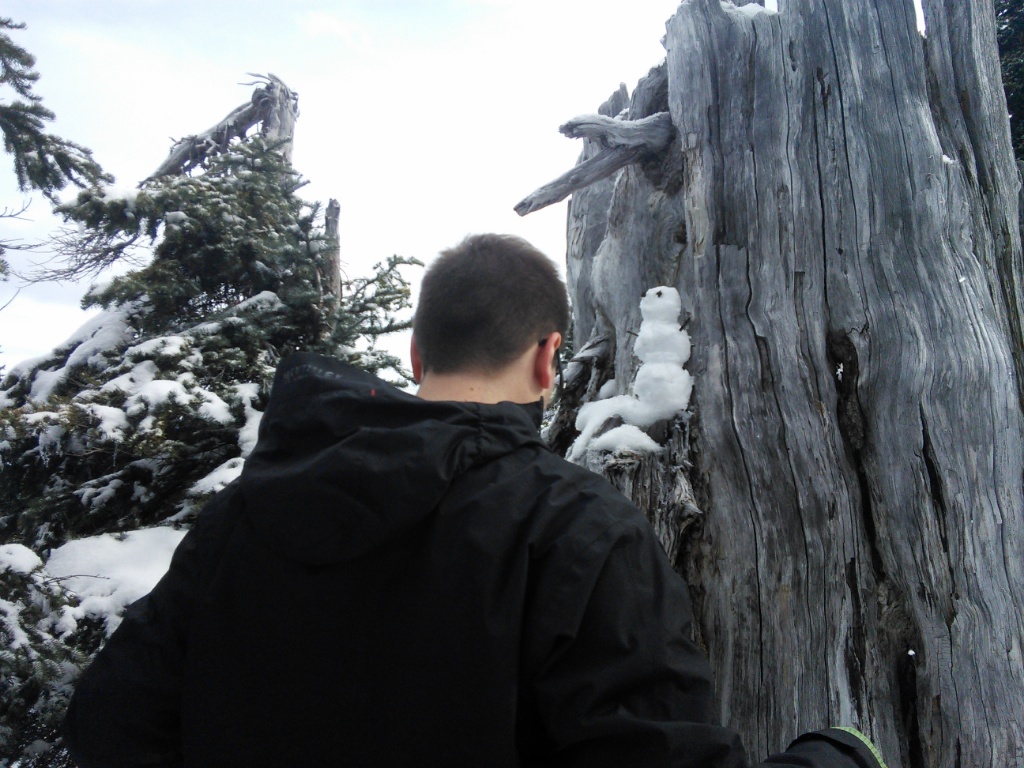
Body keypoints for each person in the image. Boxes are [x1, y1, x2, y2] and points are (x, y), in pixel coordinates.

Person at [63, 234, 886, 767]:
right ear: (549, 357)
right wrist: (835, 758)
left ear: (417, 355)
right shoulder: (575, 529)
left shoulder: (245, 516)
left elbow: (111, 722)